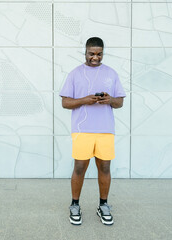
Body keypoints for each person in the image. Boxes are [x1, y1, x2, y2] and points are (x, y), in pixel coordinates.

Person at [59, 37, 126, 226]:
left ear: (103, 53)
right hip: (82, 130)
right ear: (85, 52)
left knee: (104, 168)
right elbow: (65, 102)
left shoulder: (111, 74)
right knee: (79, 168)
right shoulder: (74, 74)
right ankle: (74, 205)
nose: (95, 57)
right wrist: (84, 100)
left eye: (99, 54)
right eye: (92, 53)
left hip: (105, 130)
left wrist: (110, 100)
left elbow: (120, 102)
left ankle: (103, 205)